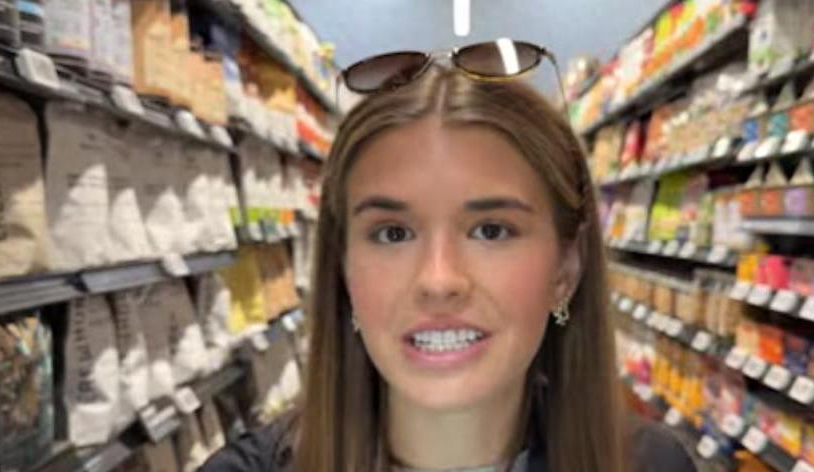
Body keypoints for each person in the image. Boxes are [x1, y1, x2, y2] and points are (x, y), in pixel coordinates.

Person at [202, 40, 697, 472]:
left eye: (491, 230)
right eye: (393, 233)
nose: (438, 280)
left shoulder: (650, 464)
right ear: (343, 269)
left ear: (565, 269)